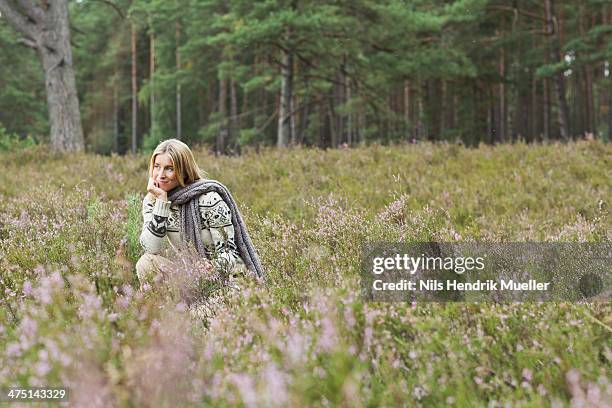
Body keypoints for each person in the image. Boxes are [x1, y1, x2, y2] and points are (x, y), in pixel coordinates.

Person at [136, 138, 264, 289]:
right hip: (192, 277)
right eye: (157, 167)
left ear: (184, 170)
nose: (161, 175)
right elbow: (151, 248)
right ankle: (166, 309)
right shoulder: (153, 201)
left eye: (169, 168)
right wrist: (162, 204)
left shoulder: (209, 199)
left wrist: (210, 268)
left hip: (226, 280)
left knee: (200, 313)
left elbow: (231, 254)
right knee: (146, 263)